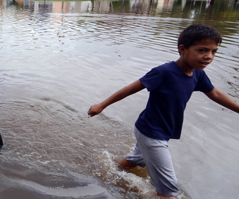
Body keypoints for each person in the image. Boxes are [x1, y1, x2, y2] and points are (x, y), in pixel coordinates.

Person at [87, 24, 239, 197]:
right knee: (169, 188)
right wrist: (102, 105)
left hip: (157, 129)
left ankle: (110, 172)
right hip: (152, 133)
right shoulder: (164, 72)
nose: (209, 57)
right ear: (183, 49)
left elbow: (216, 94)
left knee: (137, 159)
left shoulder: (198, 74)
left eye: (213, 51)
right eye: (202, 50)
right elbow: (130, 89)